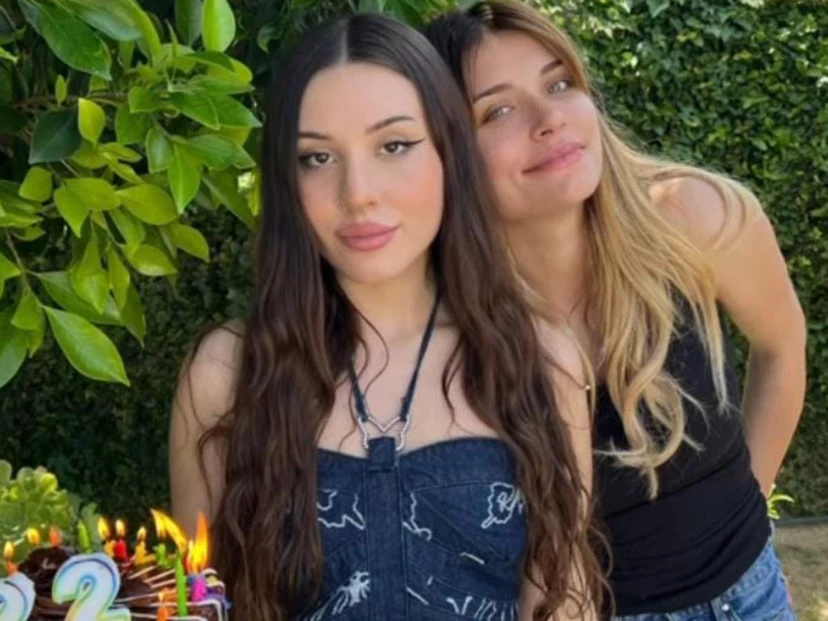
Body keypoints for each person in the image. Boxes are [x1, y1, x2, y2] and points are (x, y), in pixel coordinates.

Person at [169, 12, 603, 621]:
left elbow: (564, 596)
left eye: (394, 145)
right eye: (317, 157)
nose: (358, 193)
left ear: (449, 153)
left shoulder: (541, 358)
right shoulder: (225, 373)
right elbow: (198, 601)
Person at [424, 2, 806, 619]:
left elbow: (782, 345)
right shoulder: (439, 323)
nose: (550, 118)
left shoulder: (695, 216)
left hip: (750, 599)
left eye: (559, 84)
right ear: (446, 154)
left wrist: (748, 516)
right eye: (497, 110)